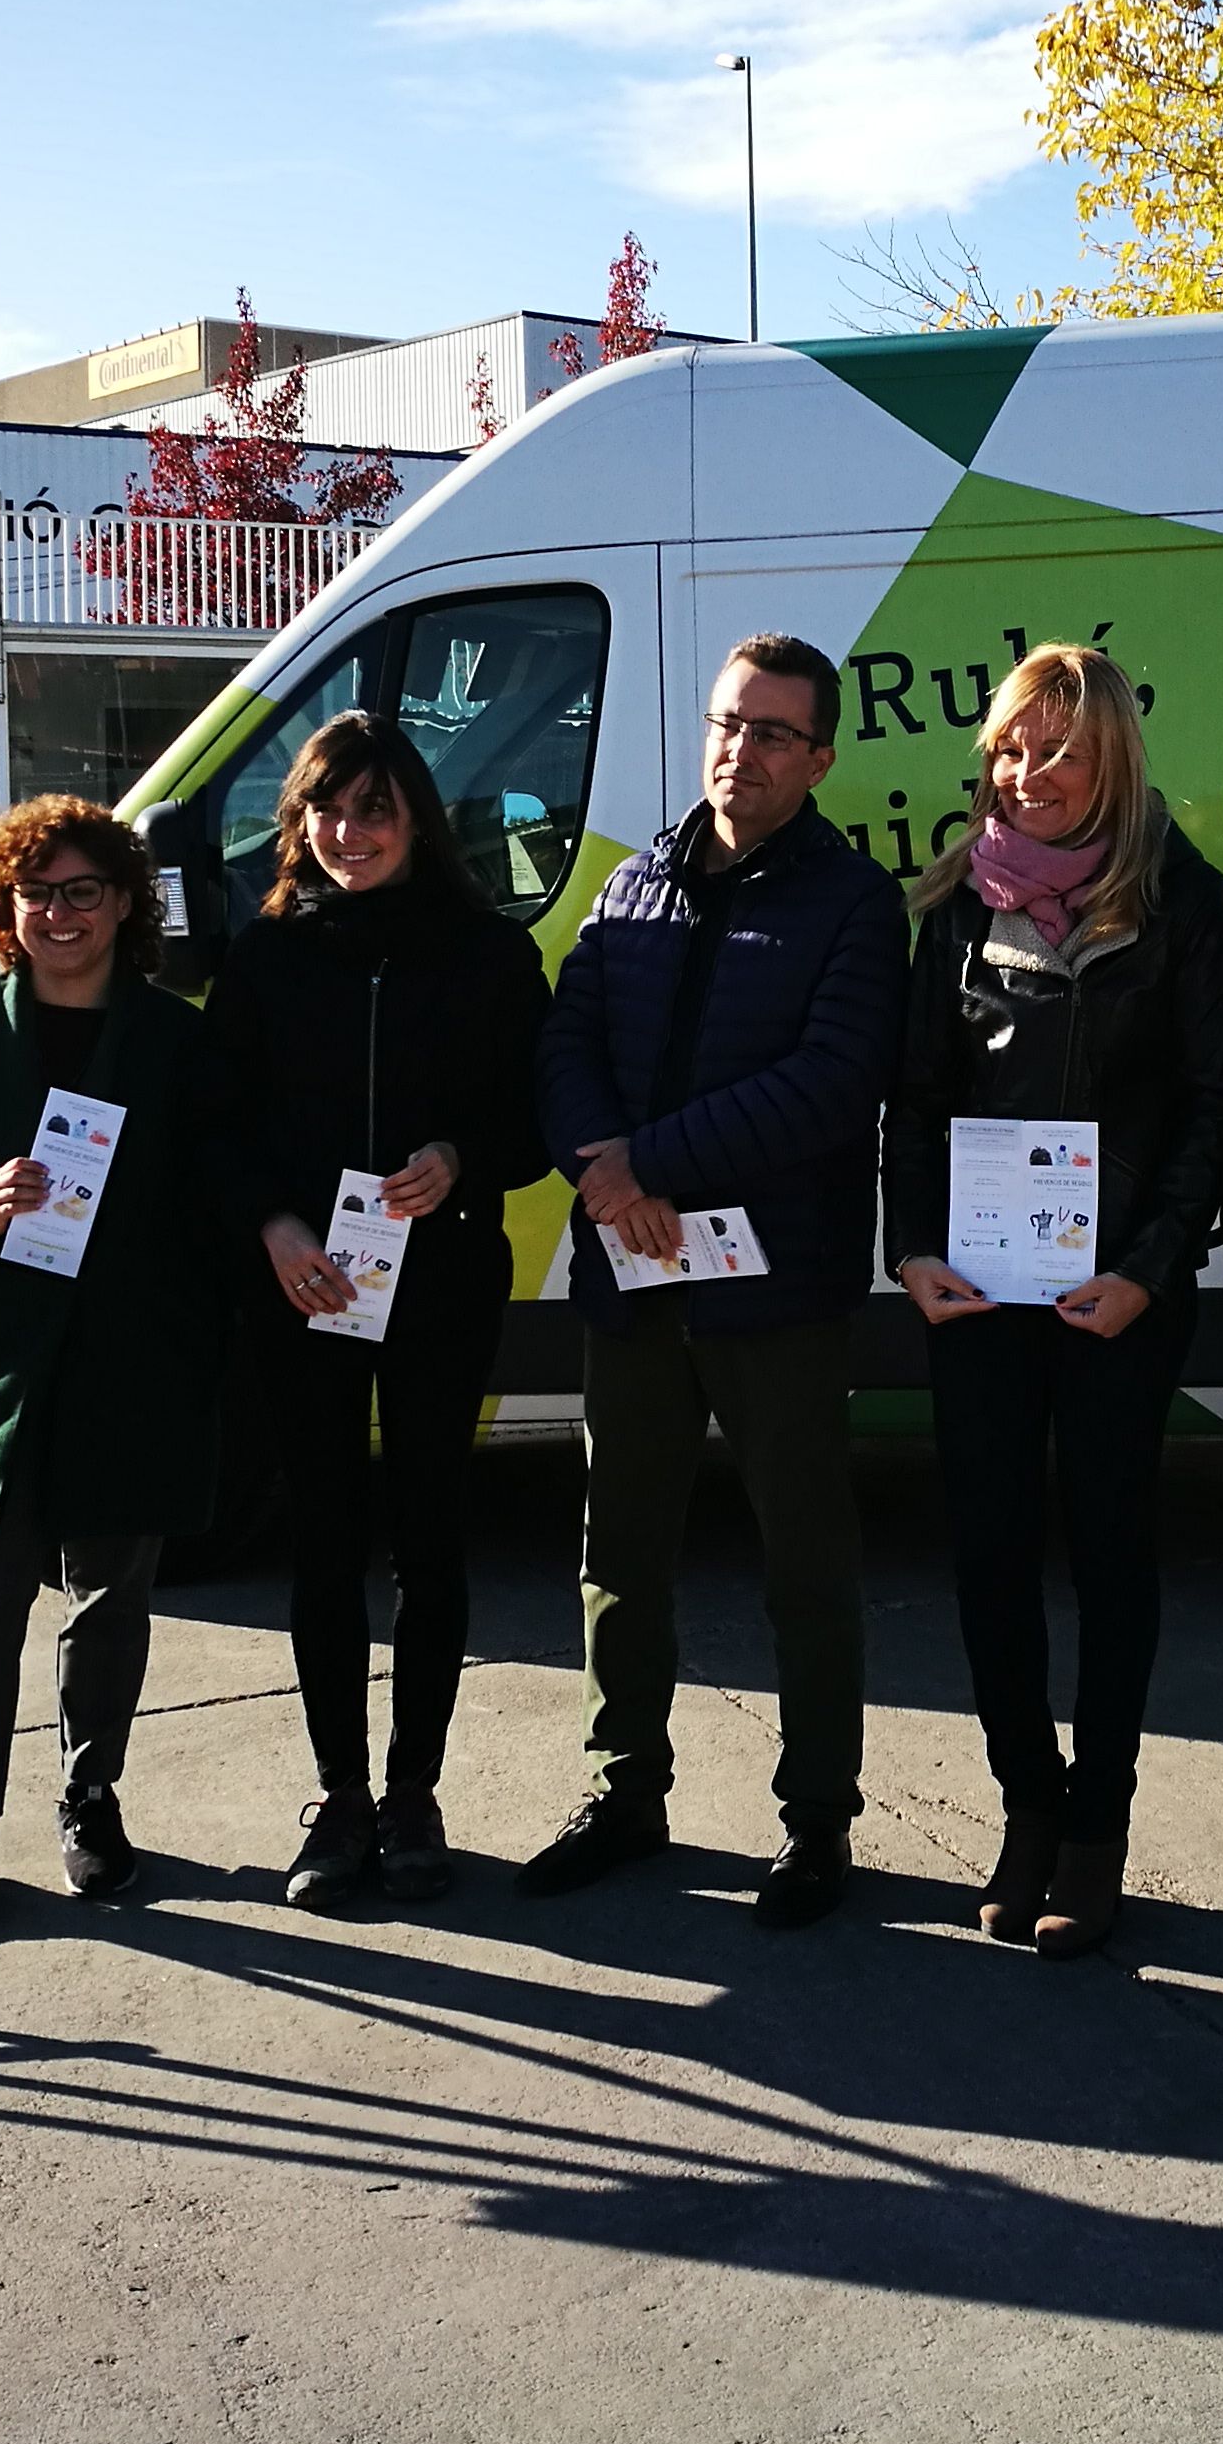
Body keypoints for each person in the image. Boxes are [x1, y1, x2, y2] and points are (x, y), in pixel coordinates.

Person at [520, 634, 908, 1927]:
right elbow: (568, 1037)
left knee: (806, 1559)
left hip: (775, 1295)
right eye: (730, 724)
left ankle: (818, 1823)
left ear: (822, 757)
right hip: (634, 1286)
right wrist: (600, 1164)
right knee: (619, 1550)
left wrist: (650, 1163)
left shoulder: (853, 903)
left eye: (777, 734)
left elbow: (831, 1081)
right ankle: (625, 1788)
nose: (744, 752)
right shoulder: (634, 884)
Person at [884, 644, 1223, 1956]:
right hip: (980, 1299)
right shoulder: (956, 908)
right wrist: (913, 1245)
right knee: (987, 1561)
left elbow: (1219, 1108)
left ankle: (1097, 1833)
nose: (1029, 773)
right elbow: (915, 1100)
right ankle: (1025, 1814)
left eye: (1060, 752)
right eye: (1012, 750)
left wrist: (1151, 1268)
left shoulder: (1180, 904)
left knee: (1109, 1563)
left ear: (1112, 765)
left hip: (1119, 1305)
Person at [0, 794, 233, 1939]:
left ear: (125, 904)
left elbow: (217, 1193)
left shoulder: (176, 1040)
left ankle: (91, 1803)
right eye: (37, 894)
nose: (59, 914)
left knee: (110, 1606)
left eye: (82, 892)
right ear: (5, 910)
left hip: (131, 1364)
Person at [211, 712, 550, 1911]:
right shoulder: (262, 958)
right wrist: (274, 1225)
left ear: (416, 822)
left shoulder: (490, 956)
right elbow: (221, 1126)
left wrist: (459, 1159)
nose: (349, 834)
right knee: (319, 1542)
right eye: (328, 811)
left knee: (431, 1539)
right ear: (298, 822)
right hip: (305, 1283)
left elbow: (529, 1122)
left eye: (375, 812)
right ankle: (338, 1799)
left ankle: (414, 1795)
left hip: (442, 1279)